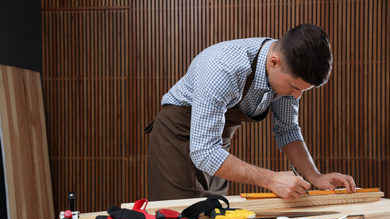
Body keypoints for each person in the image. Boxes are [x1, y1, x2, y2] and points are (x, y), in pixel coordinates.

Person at [145, 24, 356, 201]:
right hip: (177, 139)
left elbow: (287, 130)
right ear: (274, 62)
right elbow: (203, 151)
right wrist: (271, 179)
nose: (297, 96)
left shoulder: (286, 67)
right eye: (294, 87)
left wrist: (315, 176)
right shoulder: (223, 68)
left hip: (215, 146)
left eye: (303, 90)